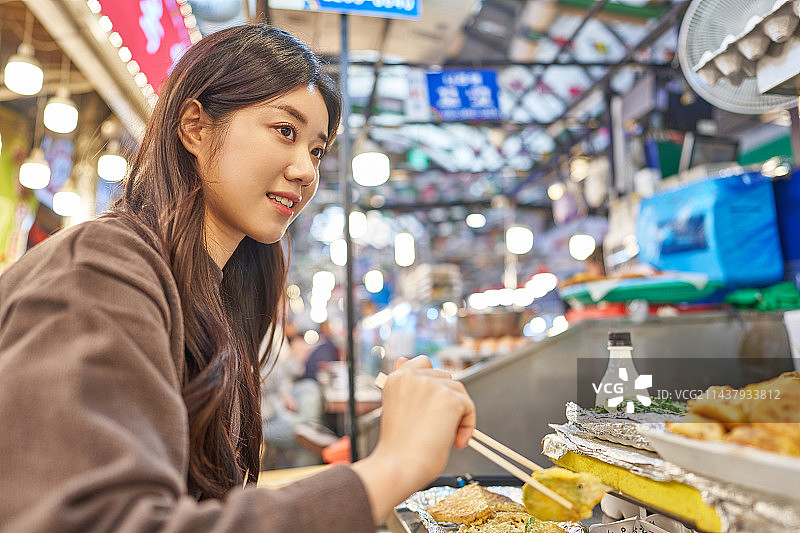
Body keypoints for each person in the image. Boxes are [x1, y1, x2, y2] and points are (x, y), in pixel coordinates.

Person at [0, 24, 475, 532]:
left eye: (317, 150)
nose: (305, 171)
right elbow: (98, 520)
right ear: (196, 128)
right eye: (285, 131)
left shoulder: (213, 294)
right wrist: (394, 466)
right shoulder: (99, 268)